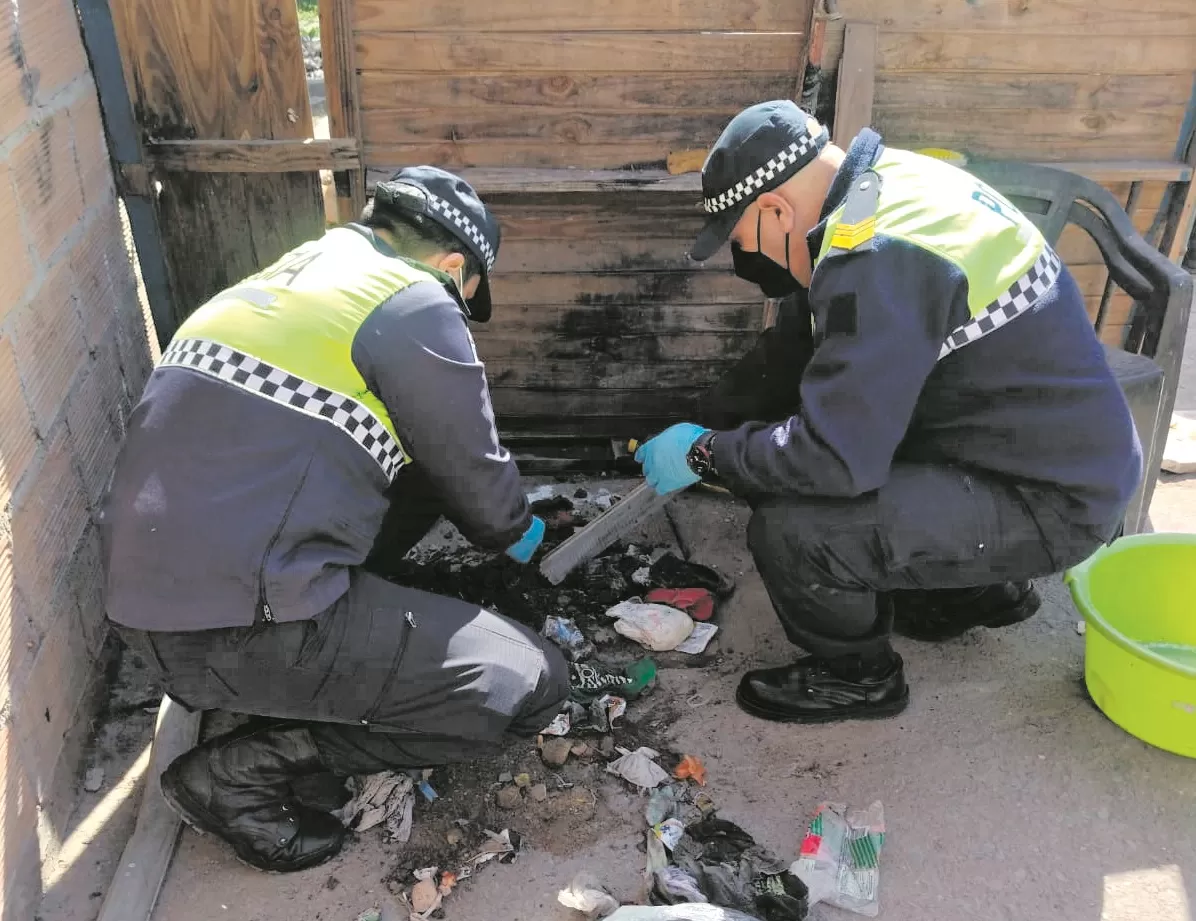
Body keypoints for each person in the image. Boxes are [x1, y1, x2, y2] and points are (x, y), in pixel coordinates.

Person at [98, 167, 569, 872]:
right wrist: (525, 536)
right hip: (233, 633)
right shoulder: (415, 301)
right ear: (452, 268)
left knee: (414, 468)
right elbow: (480, 484)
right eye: (467, 294)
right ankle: (244, 771)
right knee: (528, 683)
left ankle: (335, 651)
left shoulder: (287, 280)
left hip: (152, 607)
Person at [634, 101, 1142, 725]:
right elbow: (795, 344)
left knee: (793, 525)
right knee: (836, 437)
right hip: (1045, 457)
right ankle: (975, 593)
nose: (747, 262)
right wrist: (701, 419)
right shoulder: (883, 188)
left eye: (741, 243)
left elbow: (833, 459)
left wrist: (706, 452)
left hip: (1049, 501)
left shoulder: (876, 256)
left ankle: (857, 677)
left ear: (772, 210)